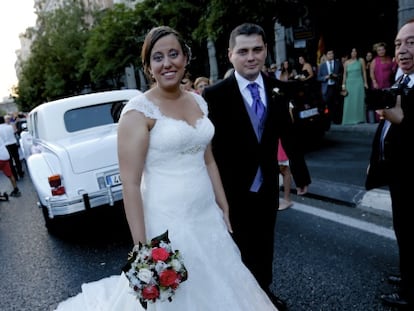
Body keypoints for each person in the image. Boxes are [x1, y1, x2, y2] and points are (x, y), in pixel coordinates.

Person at [54, 25, 279, 311]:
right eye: (158, 57)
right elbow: (131, 183)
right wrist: (142, 250)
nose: (167, 63)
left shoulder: (199, 101)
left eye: (173, 54)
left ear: (185, 57)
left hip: (206, 215)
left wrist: (222, 203)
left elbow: (207, 158)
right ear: (149, 67)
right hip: (167, 223)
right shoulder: (137, 113)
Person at [202, 23, 311, 311]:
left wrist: (300, 172)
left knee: (265, 246)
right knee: (238, 249)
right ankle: (241, 301)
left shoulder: (278, 88)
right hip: (232, 191)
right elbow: (207, 147)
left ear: (265, 51)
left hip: (267, 188)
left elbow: (288, 133)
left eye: (257, 50)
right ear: (230, 55)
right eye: (243, 51)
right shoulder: (215, 95)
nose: (251, 57)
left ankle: (263, 295)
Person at [365, 18, 414, 309]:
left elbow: (400, 122)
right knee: (404, 230)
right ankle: (408, 276)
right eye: (398, 44)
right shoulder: (402, 79)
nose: (402, 50)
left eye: (410, 42)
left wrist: (403, 122)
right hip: (398, 172)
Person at [368, 42, 398, 123]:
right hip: (378, 83)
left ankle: (386, 117)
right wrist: (374, 82)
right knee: (378, 101)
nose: (381, 51)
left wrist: (395, 62)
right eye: (379, 50)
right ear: (377, 51)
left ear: (385, 50)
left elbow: (393, 71)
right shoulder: (375, 60)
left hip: (387, 83)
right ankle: (379, 119)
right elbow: (371, 72)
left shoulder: (389, 59)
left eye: (382, 49)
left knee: (386, 101)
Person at [341, 47, 368, 125]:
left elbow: (364, 72)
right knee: (349, 102)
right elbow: (345, 74)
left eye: (355, 51)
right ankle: (348, 119)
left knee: (359, 100)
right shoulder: (346, 62)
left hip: (359, 82)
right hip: (349, 83)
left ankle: (359, 119)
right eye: (352, 51)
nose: (354, 53)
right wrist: (343, 85)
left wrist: (365, 83)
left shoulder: (361, 60)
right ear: (350, 53)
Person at [317, 48, 344, 124]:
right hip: (327, 87)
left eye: (332, 53)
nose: (331, 55)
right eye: (329, 54)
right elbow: (318, 78)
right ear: (326, 55)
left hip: (335, 86)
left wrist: (337, 76)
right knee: (327, 105)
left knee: (336, 104)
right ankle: (328, 121)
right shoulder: (322, 66)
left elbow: (342, 74)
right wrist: (325, 77)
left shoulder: (338, 63)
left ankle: (337, 120)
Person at [0, 116, 24, 181]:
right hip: (13, 144)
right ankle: (20, 172)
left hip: (6, 146)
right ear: (4, 120)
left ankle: (15, 176)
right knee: (17, 159)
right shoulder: (10, 127)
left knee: (10, 162)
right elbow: (14, 132)